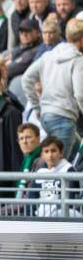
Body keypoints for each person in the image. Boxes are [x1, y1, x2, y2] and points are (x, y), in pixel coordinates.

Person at [22, 18, 83, 159]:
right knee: (58, 170)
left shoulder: (48, 56)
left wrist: (38, 108)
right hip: (63, 119)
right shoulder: (78, 60)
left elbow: (26, 79)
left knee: (76, 158)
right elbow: (80, 94)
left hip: (47, 117)